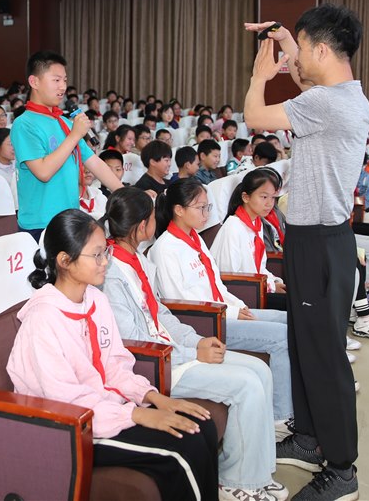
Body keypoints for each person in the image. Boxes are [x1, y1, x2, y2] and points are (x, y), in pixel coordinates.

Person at [243, 6, 369, 499]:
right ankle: (311, 440)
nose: (295, 60)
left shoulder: (326, 104)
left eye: (302, 46)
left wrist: (259, 75)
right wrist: (282, 37)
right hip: (316, 240)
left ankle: (341, 472)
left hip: (319, 243)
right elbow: (301, 69)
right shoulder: (343, 95)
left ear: (322, 50)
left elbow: (255, 116)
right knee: (304, 345)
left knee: (324, 357)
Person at [7, 209, 220, 501]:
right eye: (97, 255)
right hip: (73, 427)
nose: (106, 261)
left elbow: (115, 365)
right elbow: (67, 400)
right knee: (182, 449)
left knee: (202, 426)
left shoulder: (94, 298)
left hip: (107, 408)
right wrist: (137, 414)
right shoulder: (43, 321)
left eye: (105, 250)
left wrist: (154, 398)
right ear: (64, 261)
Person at [102, 188, 286, 501]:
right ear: (142, 225)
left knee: (258, 369)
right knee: (245, 385)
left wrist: (198, 340)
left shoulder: (138, 261)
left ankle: (256, 471)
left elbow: (163, 315)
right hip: (155, 364)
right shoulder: (111, 274)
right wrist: (190, 352)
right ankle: (236, 480)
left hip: (174, 351)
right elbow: (132, 339)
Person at [149, 179, 293, 428]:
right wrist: (234, 314)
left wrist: (239, 307)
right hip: (205, 323)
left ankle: (294, 394)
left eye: (208, 207)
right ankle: (280, 418)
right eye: (200, 208)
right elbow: (181, 304)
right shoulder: (165, 249)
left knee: (289, 320)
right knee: (280, 336)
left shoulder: (194, 239)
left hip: (223, 312)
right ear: (178, 209)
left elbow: (217, 285)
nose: (206, 215)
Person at [10, 52, 122, 239]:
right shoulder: (24, 124)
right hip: (41, 224)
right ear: (34, 82)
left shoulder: (65, 122)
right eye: (56, 80)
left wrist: (124, 192)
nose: (63, 86)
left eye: (65, 80)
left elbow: (94, 162)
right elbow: (43, 172)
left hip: (70, 219)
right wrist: (75, 135)